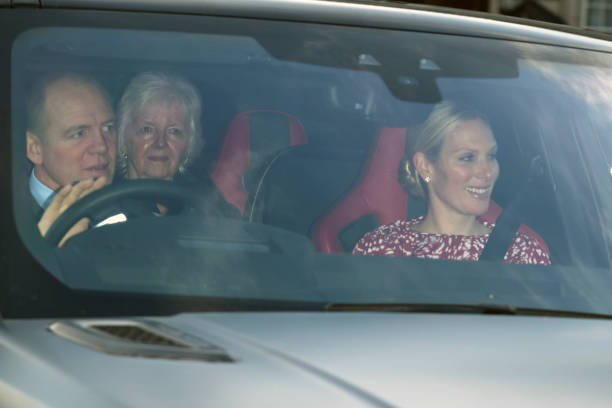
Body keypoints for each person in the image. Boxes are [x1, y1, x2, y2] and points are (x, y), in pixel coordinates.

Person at [353, 101, 551, 265]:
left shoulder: (520, 254)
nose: (487, 172)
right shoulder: (381, 248)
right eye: (467, 158)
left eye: (491, 156)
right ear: (425, 166)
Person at [116, 71, 238, 217]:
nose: (160, 143)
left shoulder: (205, 202)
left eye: (174, 131)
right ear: (123, 138)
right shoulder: (104, 206)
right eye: (147, 130)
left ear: (189, 143)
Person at [25, 72, 117, 246]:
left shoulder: (135, 208)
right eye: (79, 134)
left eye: (108, 128)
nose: (102, 147)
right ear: (35, 148)